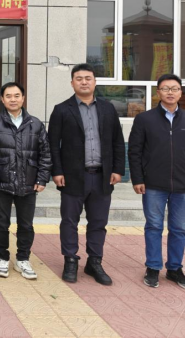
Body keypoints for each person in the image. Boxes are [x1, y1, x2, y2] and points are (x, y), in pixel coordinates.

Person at [48, 63, 125, 285]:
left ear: (95, 82)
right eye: (79, 78)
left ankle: (95, 262)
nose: (84, 82)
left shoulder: (108, 109)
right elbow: (52, 144)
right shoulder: (61, 109)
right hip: (72, 176)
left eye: (88, 78)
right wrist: (57, 171)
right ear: (72, 83)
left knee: (98, 222)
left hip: (102, 176)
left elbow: (117, 141)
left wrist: (118, 169)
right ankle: (70, 260)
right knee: (69, 221)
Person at [128, 74, 185, 291]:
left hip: (184, 185)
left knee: (179, 228)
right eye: (165, 88)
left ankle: (174, 269)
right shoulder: (144, 119)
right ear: (158, 92)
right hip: (153, 184)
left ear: (181, 92)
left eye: (175, 88)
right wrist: (138, 179)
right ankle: (153, 267)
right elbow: (134, 152)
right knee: (153, 226)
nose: (170, 92)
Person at [0, 82, 52, 279]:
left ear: (23, 98)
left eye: (16, 96)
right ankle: (2, 257)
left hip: (28, 182)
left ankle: (23, 258)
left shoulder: (36, 124)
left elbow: (45, 154)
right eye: (8, 96)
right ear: (2, 100)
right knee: (1, 223)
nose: (12, 99)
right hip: (1, 182)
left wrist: (42, 179)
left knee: (26, 224)